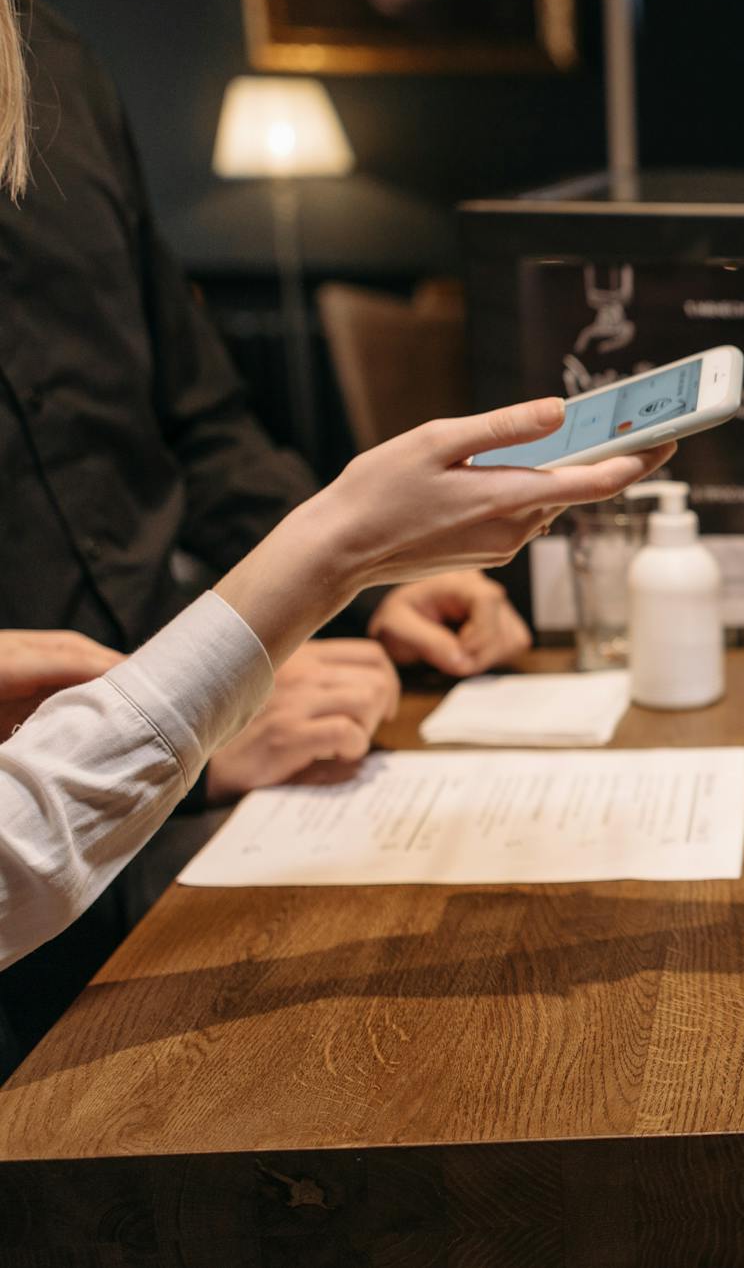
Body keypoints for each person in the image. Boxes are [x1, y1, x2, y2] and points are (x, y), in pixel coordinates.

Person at [0, 0, 553, 1053]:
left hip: (186, 799)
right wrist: (197, 733)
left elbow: (203, 420)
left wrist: (380, 589)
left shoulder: (59, 66)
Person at [0, 402, 673, 985]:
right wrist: (335, 554)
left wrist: (368, 592)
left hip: (166, 708)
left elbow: (210, 440)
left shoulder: (112, 246)